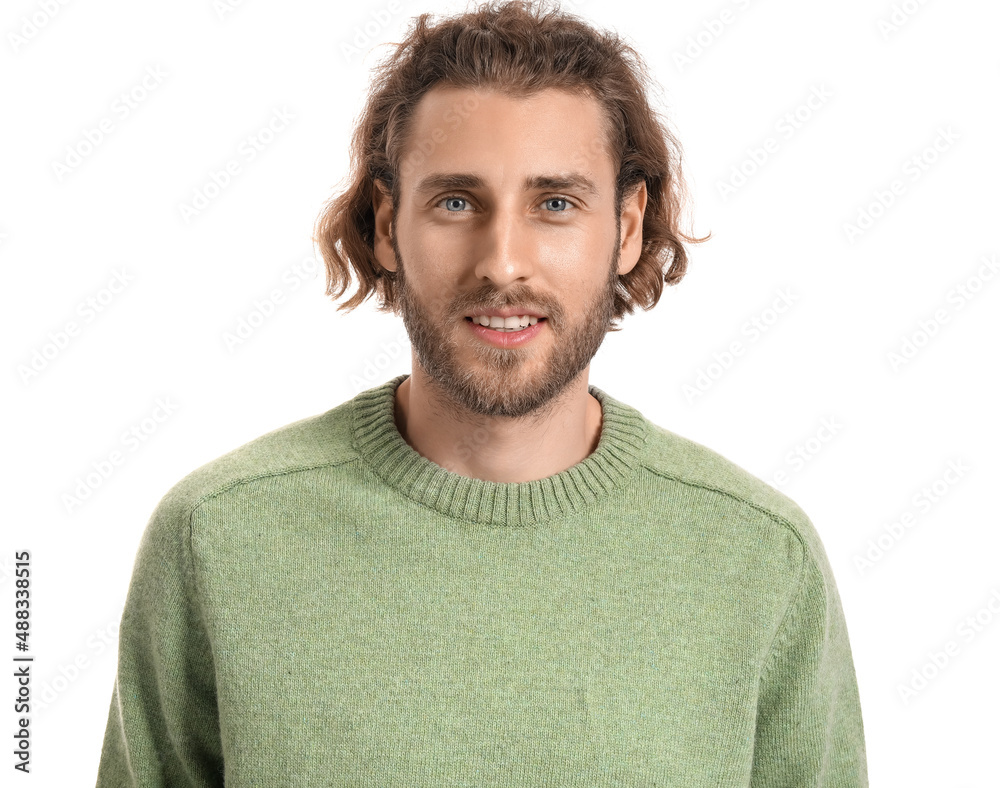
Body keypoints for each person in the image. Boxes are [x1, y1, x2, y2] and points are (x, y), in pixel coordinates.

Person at [96, 1, 869, 785]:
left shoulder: (760, 557)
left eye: (556, 204)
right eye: (456, 202)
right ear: (389, 222)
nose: (503, 263)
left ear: (628, 226)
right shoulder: (219, 536)